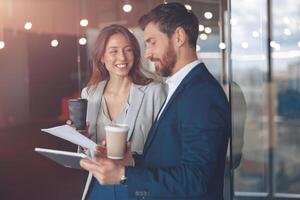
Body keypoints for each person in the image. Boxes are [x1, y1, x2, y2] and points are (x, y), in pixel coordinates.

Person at [80, 3, 230, 199]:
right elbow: (168, 158)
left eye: (152, 42)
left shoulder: (201, 94)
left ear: (178, 37)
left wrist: (125, 175)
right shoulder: (181, 88)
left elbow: (198, 179)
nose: (148, 53)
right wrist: (131, 162)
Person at [79, 24, 166, 200]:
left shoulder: (154, 91)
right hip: (99, 186)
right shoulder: (89, 94)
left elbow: (165, 147)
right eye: (114, 51)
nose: (122, 57)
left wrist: (132, 162)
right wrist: (81, 136)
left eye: (128, 50)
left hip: (137, 186)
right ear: (102, 57)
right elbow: (86, 152)